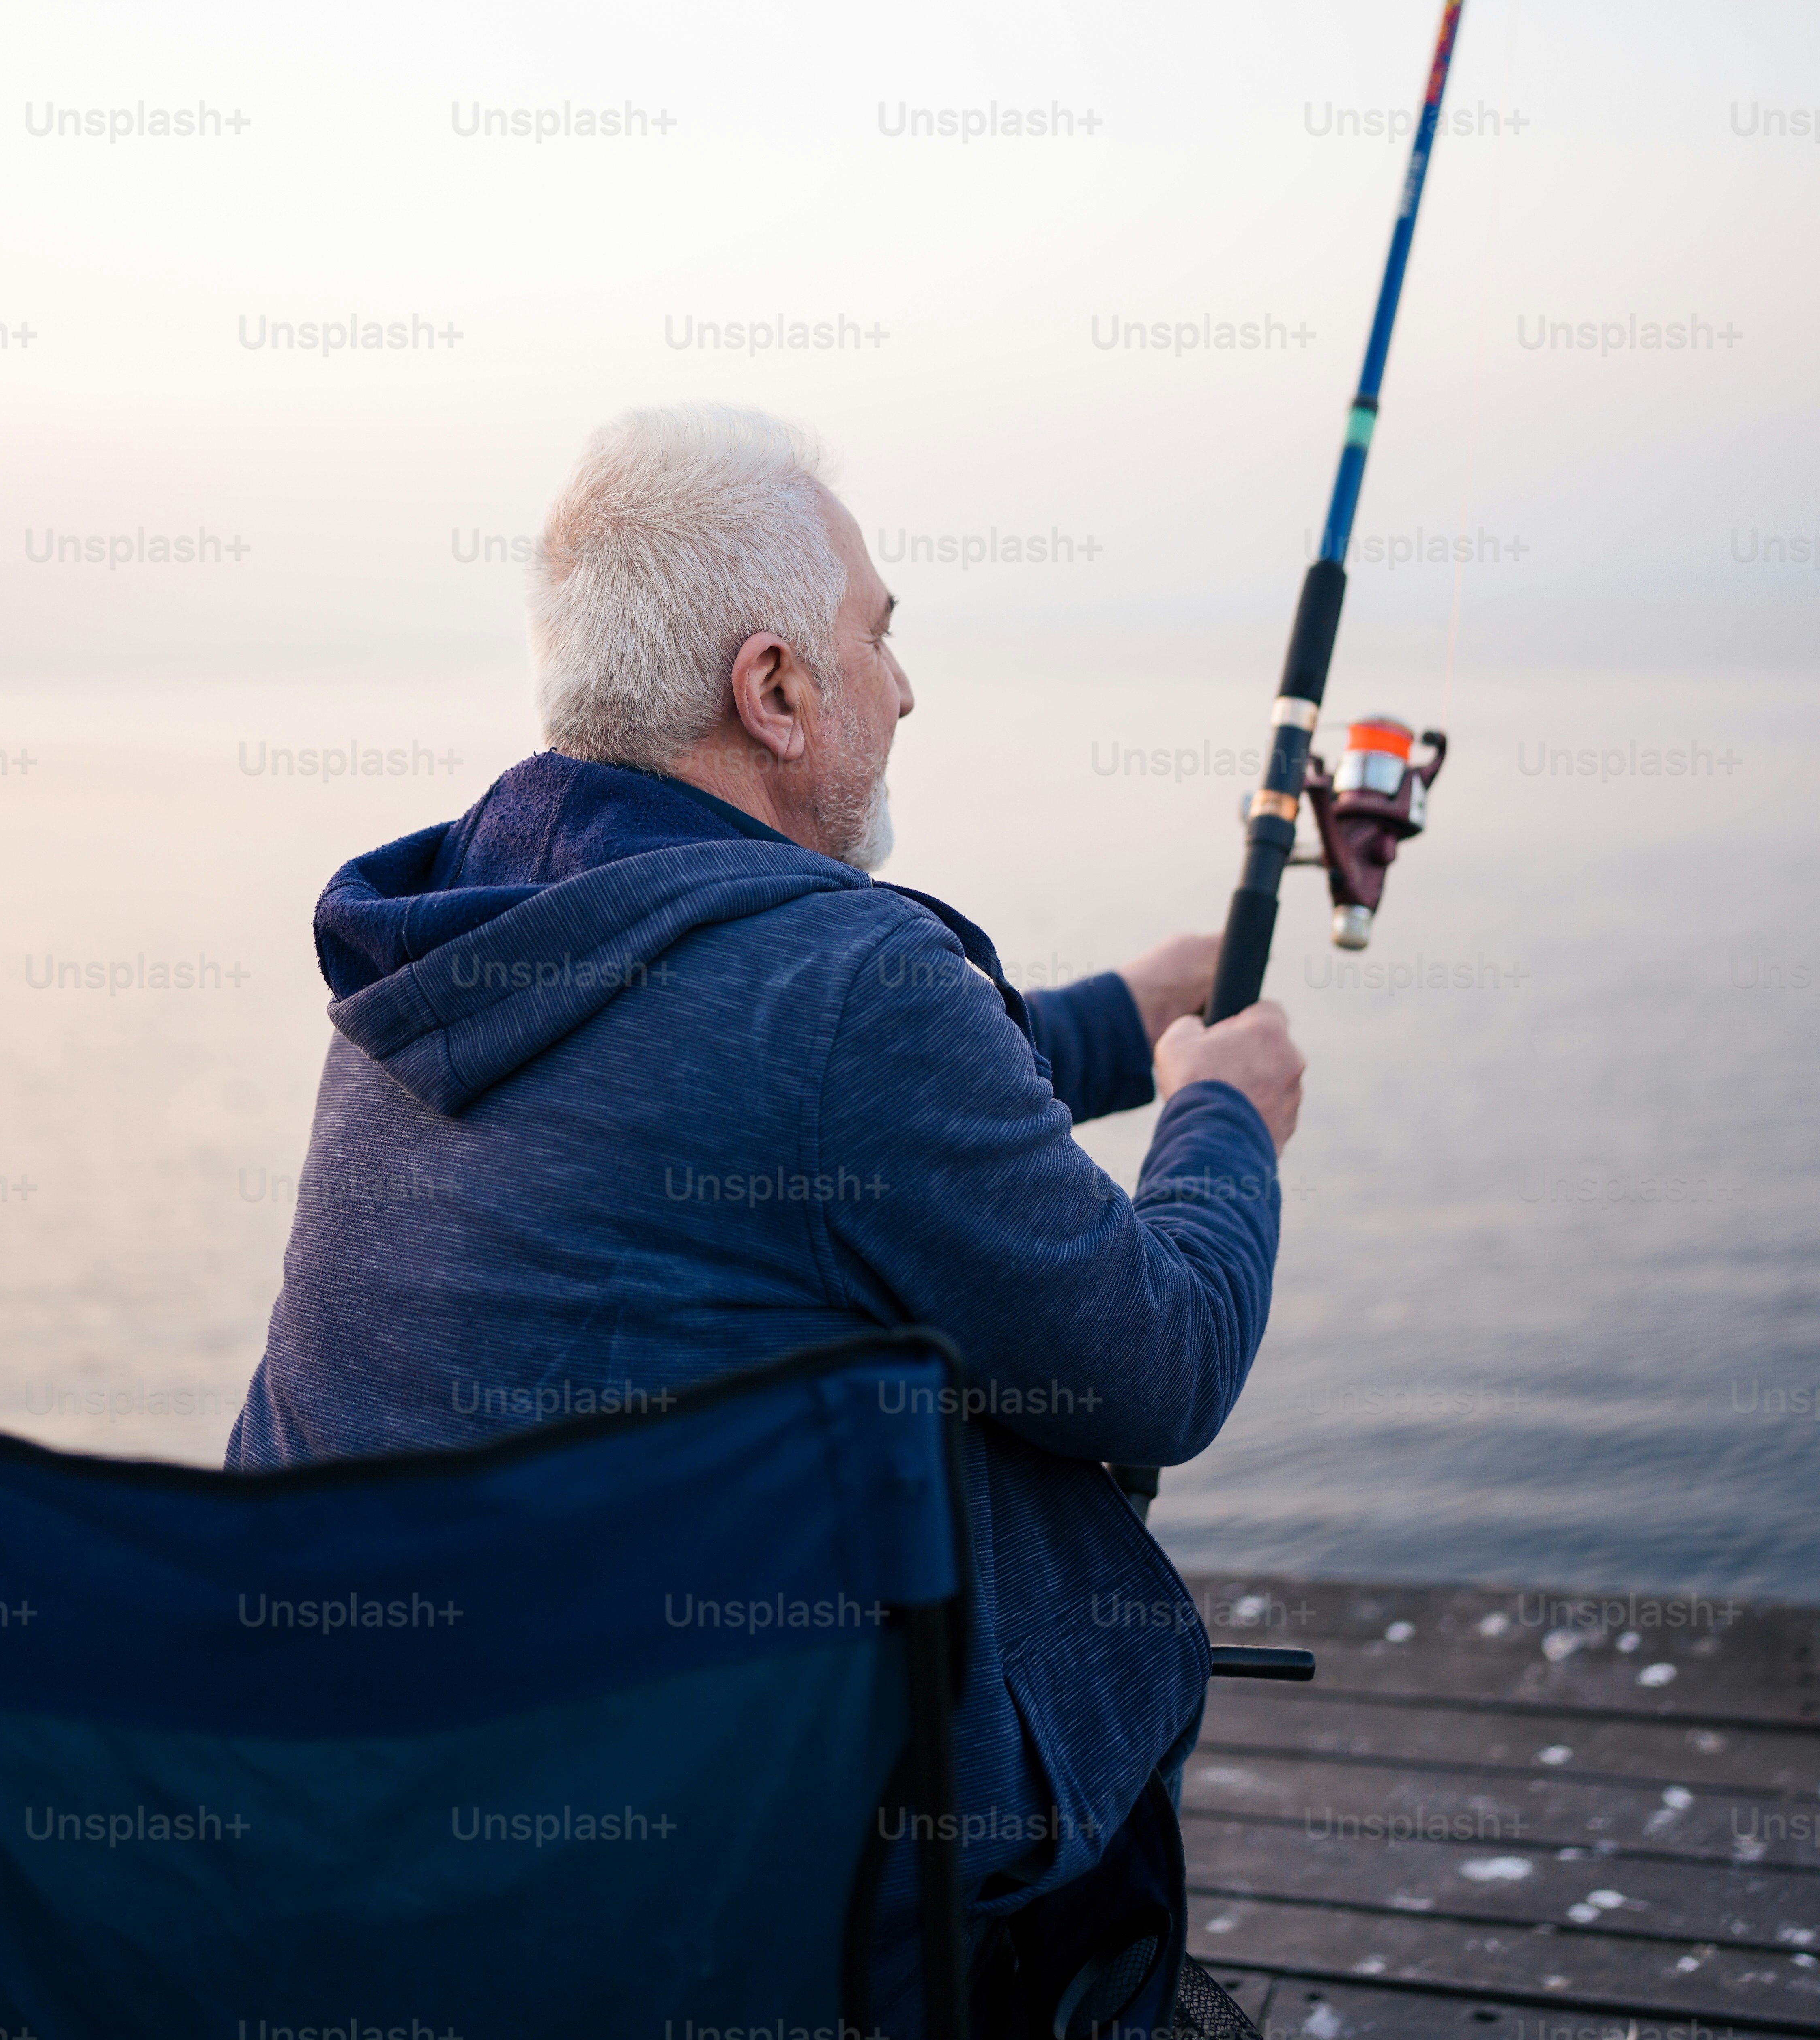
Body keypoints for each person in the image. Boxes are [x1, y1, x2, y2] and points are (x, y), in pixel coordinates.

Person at [229, 403, 1304, 2029]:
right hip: (762, 1898)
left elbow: (795, 1095)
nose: (908, 685)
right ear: (775, 690)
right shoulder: (853, 994)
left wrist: (1140, 1015)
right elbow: (1160, 1367)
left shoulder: (452, 955)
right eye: (879, 637)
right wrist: (1225, 1114)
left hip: (412, 1838)